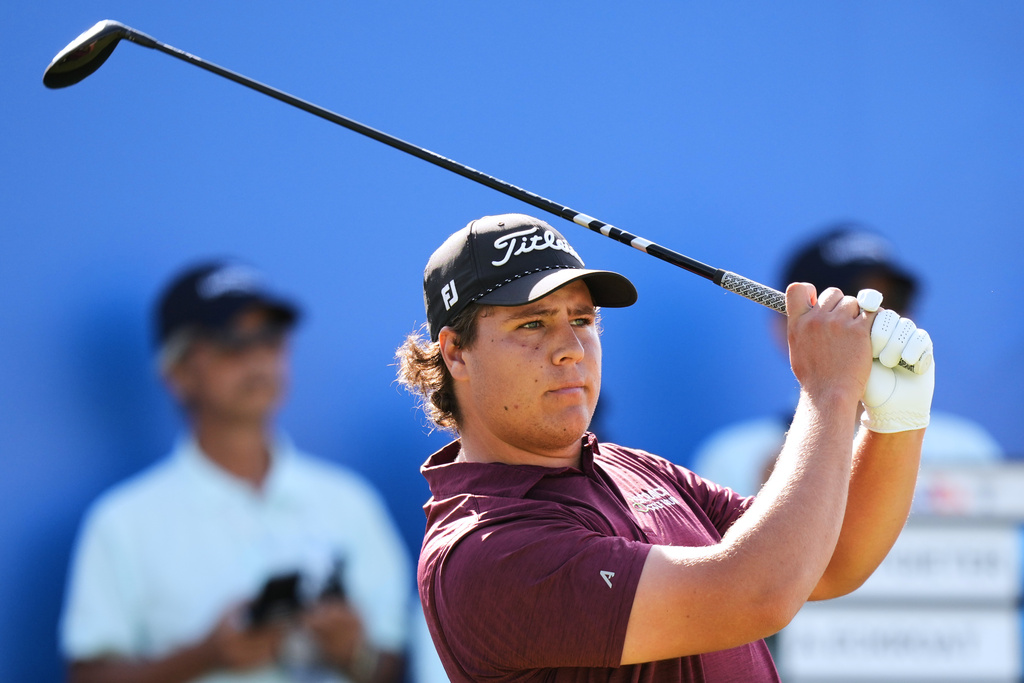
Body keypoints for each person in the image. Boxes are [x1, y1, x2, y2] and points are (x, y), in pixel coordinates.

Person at [395, 213, 934, 682]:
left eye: (582, 320)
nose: (569, 349)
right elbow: (758, 593)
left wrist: (896, 424)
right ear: (456, 353)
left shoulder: (629, 467)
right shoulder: (483, 549)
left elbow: (827, 562)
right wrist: (829, 393)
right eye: (532, 323)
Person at [60, 261, 412, 683]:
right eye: (231, 344)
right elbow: (88, 675)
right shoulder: (121, 523)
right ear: (177, 372)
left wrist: (351, 652)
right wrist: (205, 656)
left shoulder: (350, 502)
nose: (258, 360)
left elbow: (391, 666)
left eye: (271, 340)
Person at [692, 224, 1002, 498]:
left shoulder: (967, 449)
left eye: (891, 304)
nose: (877, 320)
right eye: (843, 307)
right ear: (784, 327)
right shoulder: (731, 458)